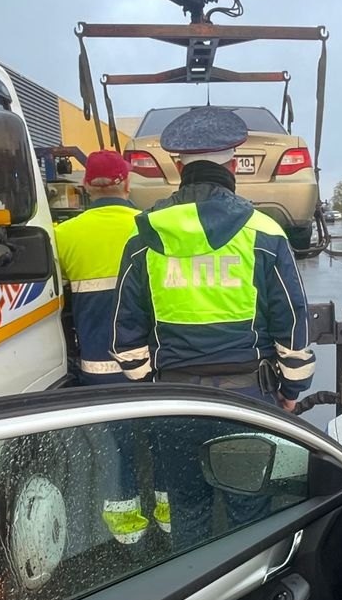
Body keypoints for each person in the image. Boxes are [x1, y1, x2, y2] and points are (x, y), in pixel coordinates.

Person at [111, 107, 315, 546]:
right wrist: (291, 391)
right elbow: (293, 324)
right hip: (247, 400)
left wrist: (151, 386)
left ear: (179, 166)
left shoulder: (143, 238)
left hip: (175, 402)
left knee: (187, 511)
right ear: (232, 162)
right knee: (249, 513)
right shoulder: (264, 233)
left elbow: (125, 338)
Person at [52, 149, 162, 545]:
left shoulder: (64, 235)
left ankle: (128, 536)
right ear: (127, 183)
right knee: (159, 441)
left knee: (117, 451)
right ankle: (168, 522)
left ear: (85, 188)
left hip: (98, 370)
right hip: (152, 367)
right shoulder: (151, 227)